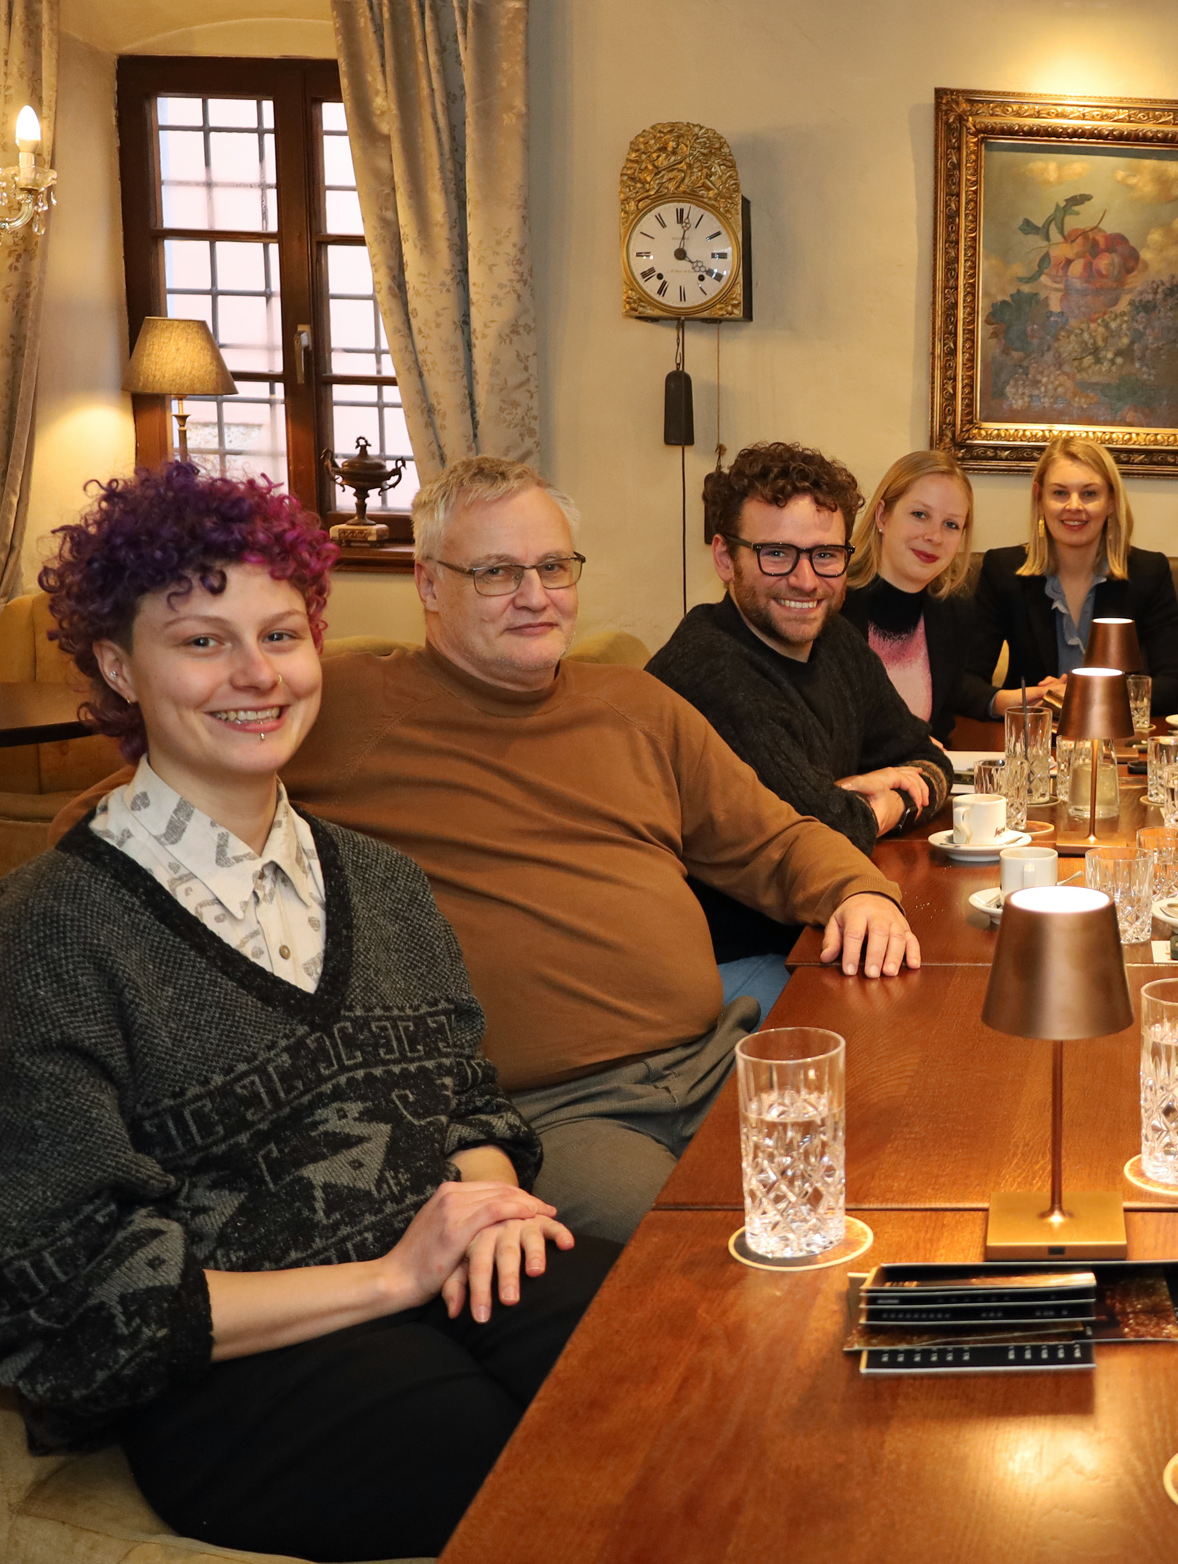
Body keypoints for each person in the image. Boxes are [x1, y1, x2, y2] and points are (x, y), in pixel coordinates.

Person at [0, 463, 609, 1563]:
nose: (256, 674)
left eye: (282, 634)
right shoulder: (53, 930)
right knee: (544, 1481)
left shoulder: (383, 881)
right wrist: (394, 1274)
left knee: (687, 1373)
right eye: (202, 640)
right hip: (230, 1373)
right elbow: (61, 1301)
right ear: (117, 663)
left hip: (440, 1280)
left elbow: (468, 1103)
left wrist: (489, 1208)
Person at [49, 456, 921, 1246]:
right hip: (550, 1112)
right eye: (497, 572)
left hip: (718, 1055)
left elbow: (773, 837)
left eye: (552, 568)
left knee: (895, 1183)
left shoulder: (637, 707)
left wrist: (860, 894)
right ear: (428, 584)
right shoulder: (337, 705)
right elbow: (133, 814)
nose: (535, 595)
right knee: (698, 1252)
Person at [649, 442, 954, 989]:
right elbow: (825, 832)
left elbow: (927, 757)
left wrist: (863, 792)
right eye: (776, 554)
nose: (806, 581)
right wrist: (879, 801)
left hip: (814, 927)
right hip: (733, 959)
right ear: (725, 558)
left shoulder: (833, 638)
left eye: (824, 555)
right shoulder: (709, 669)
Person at [968, 435, 1178, 715]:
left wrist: (1084, 694)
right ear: (1039, 498)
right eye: (1060, 493)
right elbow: (964, 682)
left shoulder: (1148, 571)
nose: (1074, 506)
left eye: (1089, 494)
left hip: (1115, 742)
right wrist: (1022, 701)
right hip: (1032, 740)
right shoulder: (1003, 569)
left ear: (1111, 501)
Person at [840, 448, 996, 744]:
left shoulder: (955, 614)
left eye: (950, 525)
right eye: (920, 515)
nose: (934, 536)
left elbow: (941, 734)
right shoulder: (832, 604)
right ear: (882, 515)